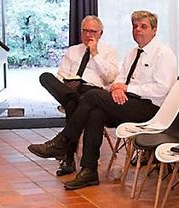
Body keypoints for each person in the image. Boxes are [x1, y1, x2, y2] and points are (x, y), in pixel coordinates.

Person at [28, 10, 177, 190]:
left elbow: (162, 88)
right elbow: (120, 77)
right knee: (95, 113)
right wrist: (117, 88)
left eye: (143, 26)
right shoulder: (132, 53)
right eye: (135, 26)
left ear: (154, 30)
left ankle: (64, 142)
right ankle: (89, 171)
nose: (138, 30)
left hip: (150, 109)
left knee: (92, 96)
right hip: (128, 102)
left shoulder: (163, 53)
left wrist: (127, 88)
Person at [38, 15, 119, 176]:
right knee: (46, 77)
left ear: (101, 34)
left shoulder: (109, 51)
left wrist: (95, 54)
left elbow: (110, 77)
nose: (89, 35)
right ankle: (72, 101)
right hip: (71, 90)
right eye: (85, 31)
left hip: (93, 93)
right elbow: (61, 75)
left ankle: (67, 157)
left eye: (93, 31)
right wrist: (66, 84)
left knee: (74, 103)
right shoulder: (72, 51)